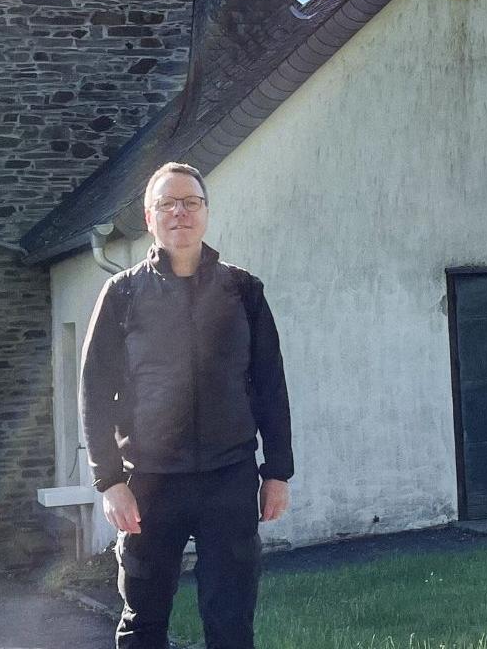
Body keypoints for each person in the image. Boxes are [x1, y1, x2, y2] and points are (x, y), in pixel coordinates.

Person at [79, 161, 294, 649]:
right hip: (149, 484)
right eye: (167, 203)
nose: (180, 212)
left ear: (206, 213)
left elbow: (270, 386)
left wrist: (277, 472)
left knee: (232, 623)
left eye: (190, 202)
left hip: (229, 479)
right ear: (150, 218)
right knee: (143, 623)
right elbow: (95, 393)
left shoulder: (244, 291)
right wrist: (110, 482)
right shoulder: (123, 292)